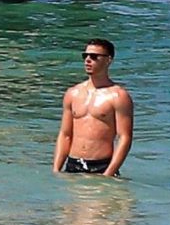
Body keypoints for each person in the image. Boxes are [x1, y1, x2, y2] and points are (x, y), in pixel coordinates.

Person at [54, 37, 134, 176]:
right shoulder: (73, 93)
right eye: (85, 56)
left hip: (102, 166)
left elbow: (124, 138)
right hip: (73, 165)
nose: (88, 60)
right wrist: (56, 169)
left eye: (94, 56)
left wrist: (108, 174)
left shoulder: (118, 96)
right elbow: (65, 134)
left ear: (108, 60)